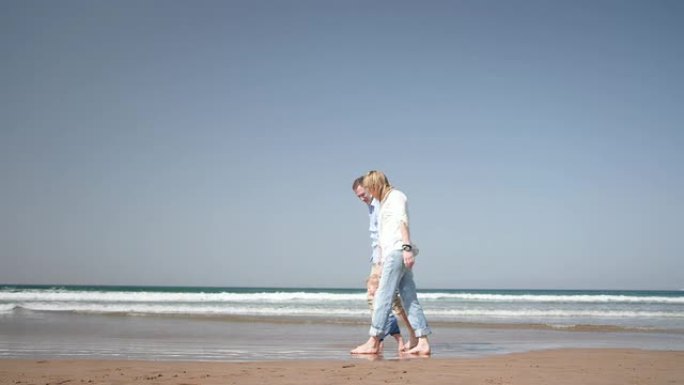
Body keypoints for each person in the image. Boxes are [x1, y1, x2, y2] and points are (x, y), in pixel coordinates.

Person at [351, 170, 431, 356]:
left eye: (370, 188)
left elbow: (403, 221)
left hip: (397, 252)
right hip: (392, 254)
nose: (370, 194)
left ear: (376, 185)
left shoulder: (396, 197)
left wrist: (406, 249)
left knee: (382, 297)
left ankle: (374, 341)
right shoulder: (385, 201)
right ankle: (423, 341)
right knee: (409, 298)